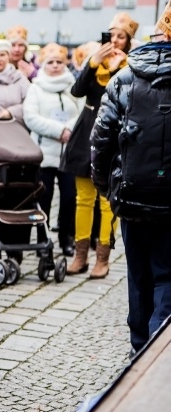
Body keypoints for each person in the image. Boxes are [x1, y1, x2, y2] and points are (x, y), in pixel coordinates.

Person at [90, 5, 171, 353]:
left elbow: (100, 140)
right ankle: (156, 353)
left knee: (138, 276)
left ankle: (140, 347)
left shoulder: (124, 77)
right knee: (167, 275)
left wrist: (107, 188)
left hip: (132, 194)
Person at [61, 12, 138, 278]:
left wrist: (118, 68)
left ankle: (102, 257)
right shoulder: (96, 62)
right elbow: (77, 91)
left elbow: (125, 97)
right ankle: (80, 254)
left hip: (114, 133)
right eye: (111, 35)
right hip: (86, 134)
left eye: (121, 36)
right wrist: (93, 63)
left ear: (128, 41)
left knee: (107, 200)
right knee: (84, 199)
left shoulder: (131, 65)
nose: (115, 40)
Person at [23, 43, 82, 257]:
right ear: (43, 64)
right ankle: (42, 239)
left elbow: (83, 111)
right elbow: (31, 117)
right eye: (51, 62)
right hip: (44, 151)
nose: (55, 66)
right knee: (44, 198)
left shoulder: (72, 85)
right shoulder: (35, 87)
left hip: (68, 152)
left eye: (59, 62)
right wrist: (59, 130)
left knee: (69, 197)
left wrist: (69, 129)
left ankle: (66, 237)